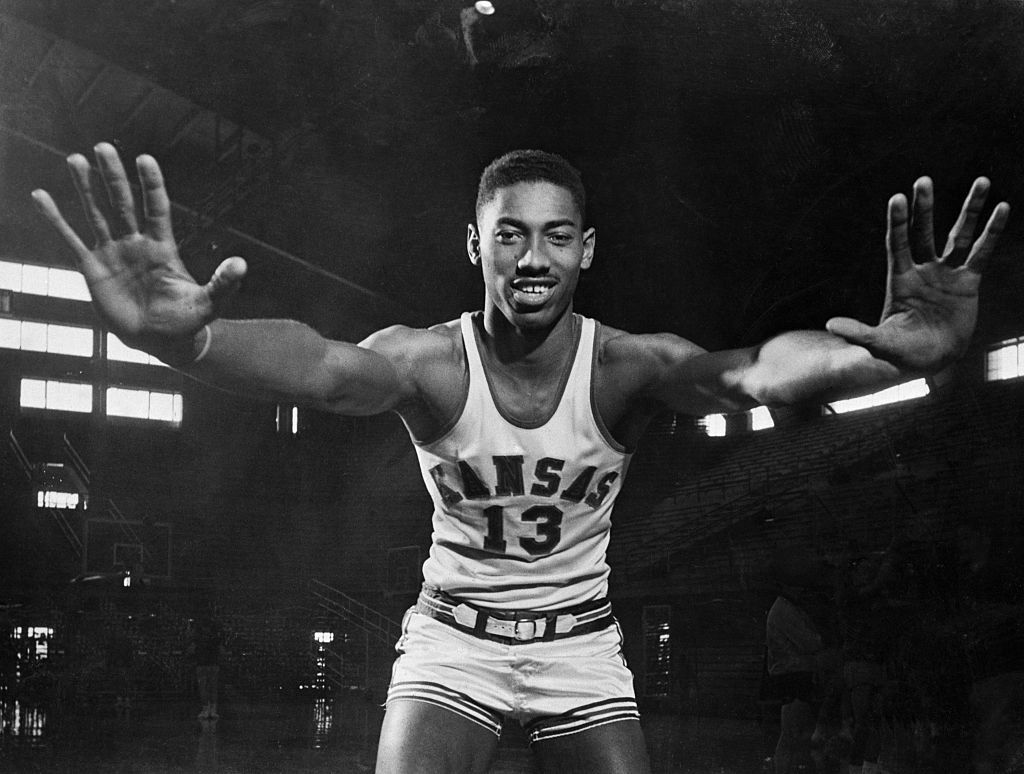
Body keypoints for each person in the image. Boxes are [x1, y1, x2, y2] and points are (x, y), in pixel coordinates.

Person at [30, 143, 1008, 774]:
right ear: (477, 246)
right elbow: (322, 369)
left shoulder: (624, 366)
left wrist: (874, 357)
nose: (532, 257)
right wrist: (190, 343)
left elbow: (752, 373)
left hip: (579, 646)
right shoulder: (429, 362)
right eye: (510, 235)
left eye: (554, 236)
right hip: (453, 641)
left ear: (587, 250)